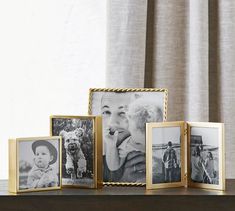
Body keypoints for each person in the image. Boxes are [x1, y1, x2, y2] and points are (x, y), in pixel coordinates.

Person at [105, 96, 163, 182]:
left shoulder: (162, 144)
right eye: (138, 143)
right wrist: (111, 145)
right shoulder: (129, 142)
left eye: (149, 143)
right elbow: (113, 167)